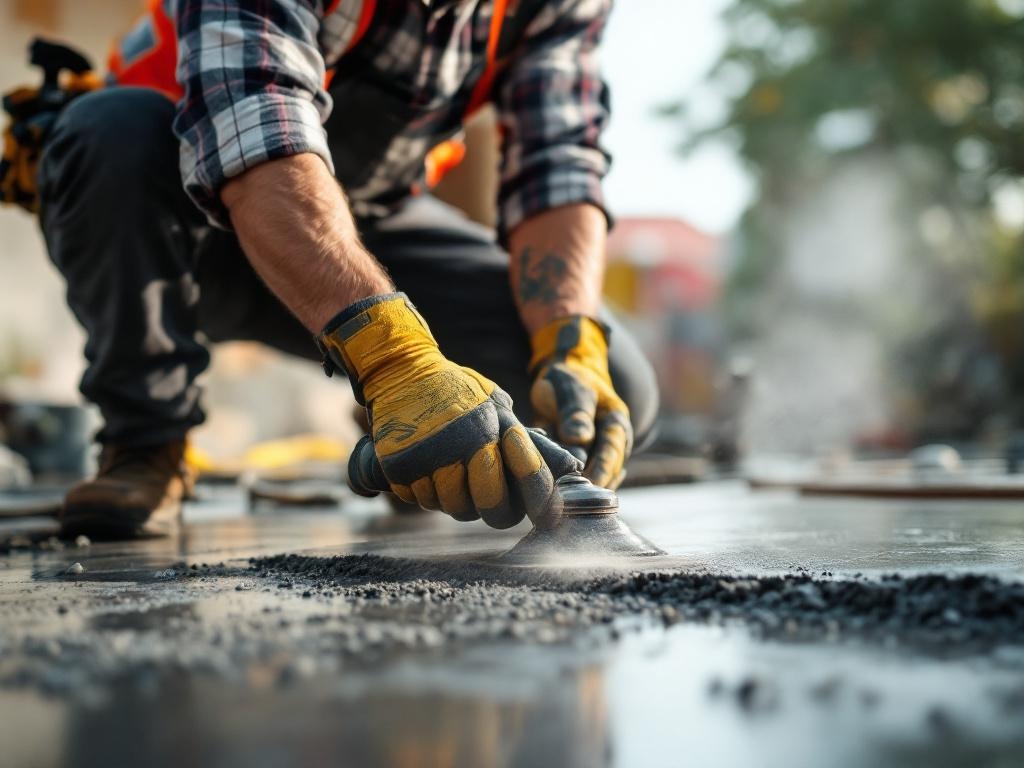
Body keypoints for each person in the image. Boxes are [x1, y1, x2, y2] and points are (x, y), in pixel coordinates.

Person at [2, 0, 658, 538]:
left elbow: (557, 164)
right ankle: (146, 445)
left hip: (360, 230)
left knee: (613, 390)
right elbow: (256, 123)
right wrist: (397, 361)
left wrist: (568, 338)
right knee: (105, 129)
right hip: (173, 224)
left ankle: (404, 435)